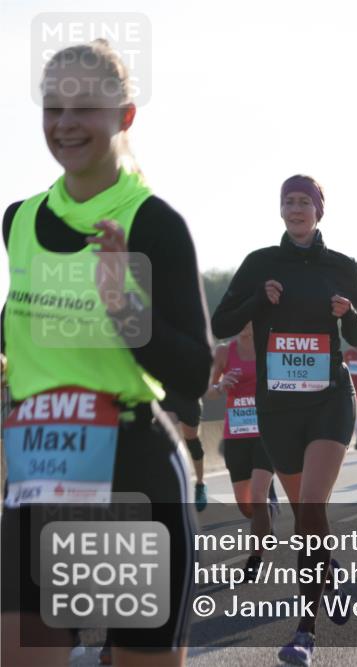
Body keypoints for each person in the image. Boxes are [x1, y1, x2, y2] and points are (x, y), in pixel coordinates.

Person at [1, 39, 212, 667]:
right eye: (52, 106)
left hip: (128, 472)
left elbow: (194, 372)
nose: (65, 124)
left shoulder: (153, 224)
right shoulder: (18, 220)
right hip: (38, 479)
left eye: (85, 108)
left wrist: (124, 307)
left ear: (124, 117)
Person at [212, 174, 357, 666]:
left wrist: (346, 315)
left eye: (305, 201)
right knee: (306, 516)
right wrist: (260, 299)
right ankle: (331, 569)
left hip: (328, 399)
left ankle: (305, 631)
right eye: (289, 201)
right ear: (281, 210)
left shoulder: (342, 266)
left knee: (313, 507)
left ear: (320, 209)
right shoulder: (261, 263)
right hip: (277, 408)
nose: (297, 208)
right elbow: (221, 324)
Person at [204, 322, 275, 578]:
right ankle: (267, 512)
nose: (242, 323)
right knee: (246, 506)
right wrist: (221, 387)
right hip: (236, 434)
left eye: (248, 317)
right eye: (239, 317)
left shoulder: (270, 347)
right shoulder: (224, 352)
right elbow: (207, 391)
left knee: (258, 497)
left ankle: (255, 560)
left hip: (266, 432)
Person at [160, 389, 207, 511]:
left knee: (192, 443)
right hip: (166, 396)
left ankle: (200, 484)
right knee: (163, 438)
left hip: (189, 399)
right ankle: (167, 487)